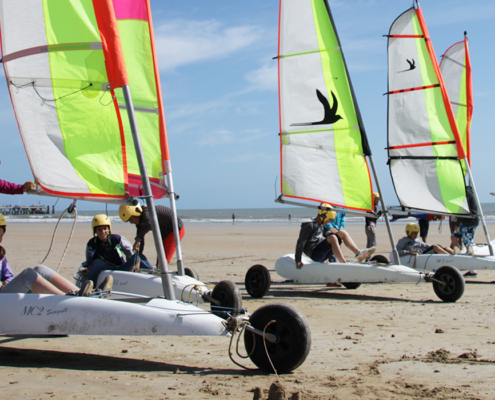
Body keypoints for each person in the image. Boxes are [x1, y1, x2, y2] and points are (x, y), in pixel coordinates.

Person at [0, 212, 109, 296]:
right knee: (27, 274)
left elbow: (8, 276)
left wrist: (6, 281)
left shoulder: (1, 255)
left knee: (39, 269)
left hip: (7, 296)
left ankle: (81, 293)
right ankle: (66, 298)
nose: (0, 240)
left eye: (1, 236)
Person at [81, 214, 153, 286]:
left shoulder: (117, 239)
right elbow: (89, 259)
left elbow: (129, 251)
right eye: (100, 230)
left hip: (120, 267)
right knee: (97, 262)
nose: (103, 232)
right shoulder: (92, 243)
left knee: (139, 256)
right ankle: (89, 286)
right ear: (95, 231)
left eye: (105, 229)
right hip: (105, 268)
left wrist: (133, 263)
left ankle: (153, 273)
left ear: (109, 229)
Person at [119, 203, 184, 264]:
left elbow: (149, 224)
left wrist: (137, 240)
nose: (131, 222)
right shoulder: (140, 224)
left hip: (175, 230)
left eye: (131, 219)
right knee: (160, 260)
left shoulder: (146, 212)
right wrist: (138, 258)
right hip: (165, 234)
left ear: (135, 213)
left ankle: (166, 274)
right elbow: (141, 239)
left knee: (163, 262)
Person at [294, 204, 341, 287]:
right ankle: (343, 264)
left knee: (339, 236)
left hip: (320, 254)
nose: (330, 221)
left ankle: (332, 280)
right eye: (329, 219)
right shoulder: (309, 225)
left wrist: (329, 233)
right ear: (324, 216)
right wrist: (298, 260)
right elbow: (301, 243)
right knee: (333, 238)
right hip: (314, 254)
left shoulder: (320, 225)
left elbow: (321, 238)